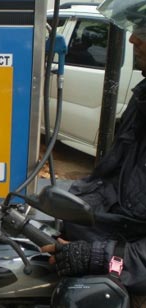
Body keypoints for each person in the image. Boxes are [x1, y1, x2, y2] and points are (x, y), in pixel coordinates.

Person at [41, 0, 146, 306]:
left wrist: (99, 257)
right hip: (106, 239)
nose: (132, 39)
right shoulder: (142, 100)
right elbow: (110, 183)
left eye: (143, 31)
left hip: (128, 275)